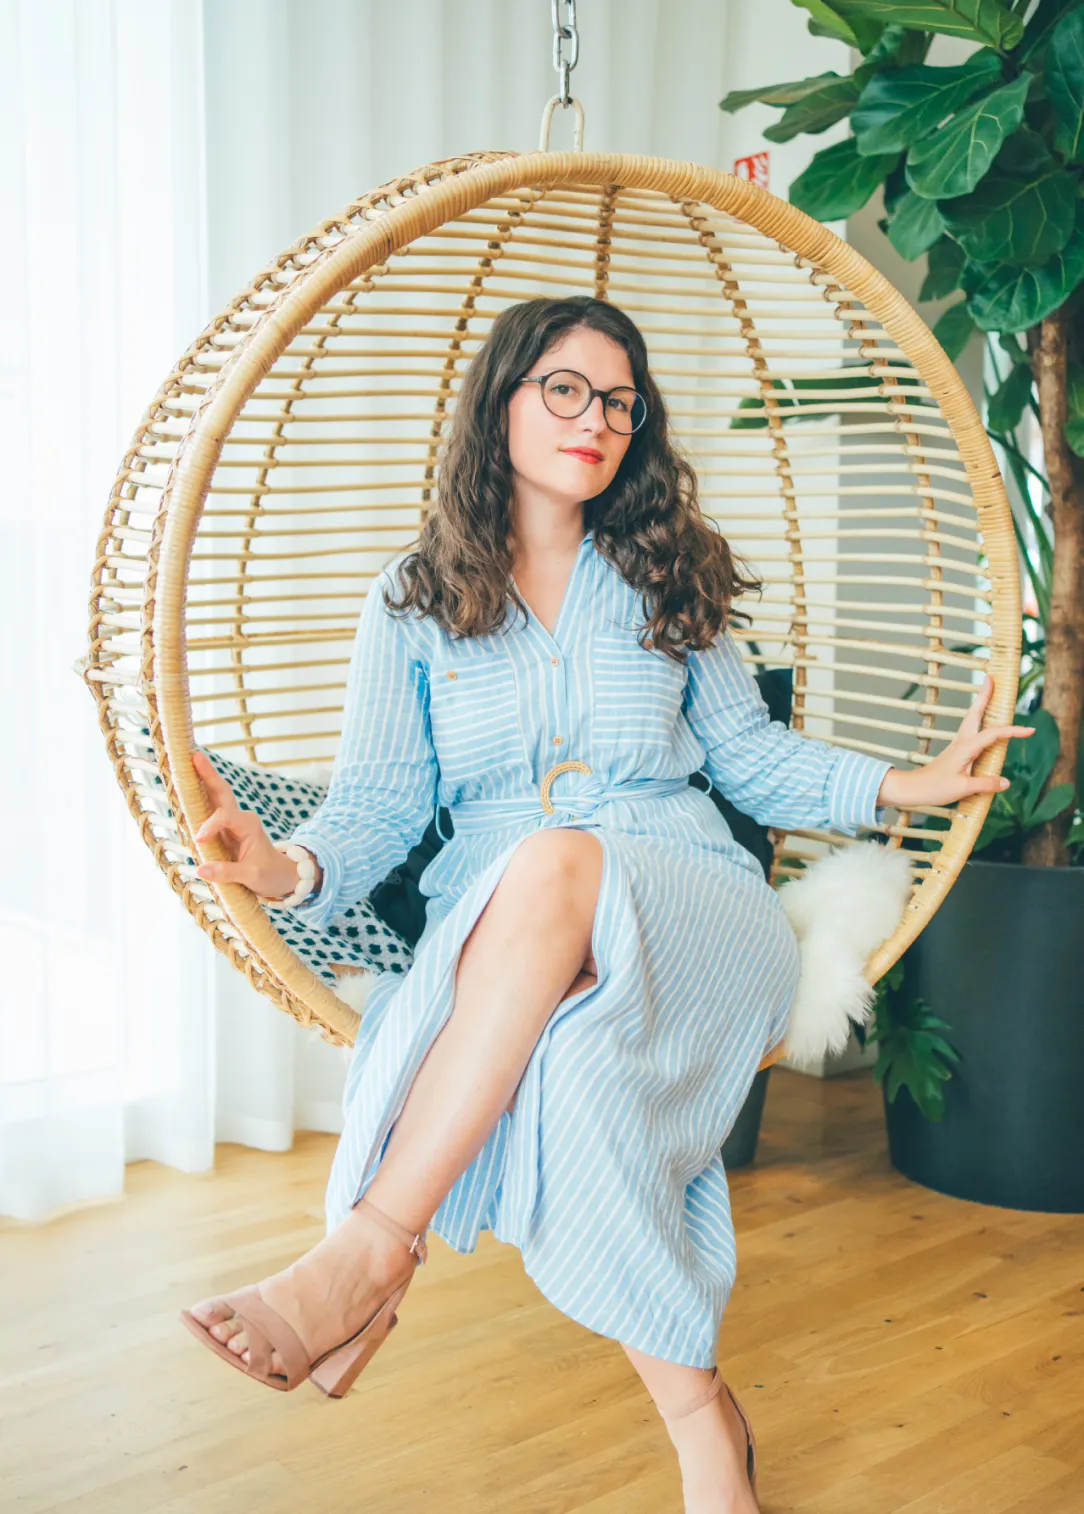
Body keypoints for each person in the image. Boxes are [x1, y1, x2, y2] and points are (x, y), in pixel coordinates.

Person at [181, 296, 1033, 1514]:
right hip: (514, 941)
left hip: (692, 908)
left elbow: (750, 756)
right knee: (571, 1073)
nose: (598, 419)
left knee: (559, 853)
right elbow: (375, 802)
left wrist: (905, 781)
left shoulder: (661, 570)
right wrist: (289, 870)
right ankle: (705, 1428)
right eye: (566, 390)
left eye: (620, 400)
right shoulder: (413, 599)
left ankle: (369, 1250)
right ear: (503, 402)